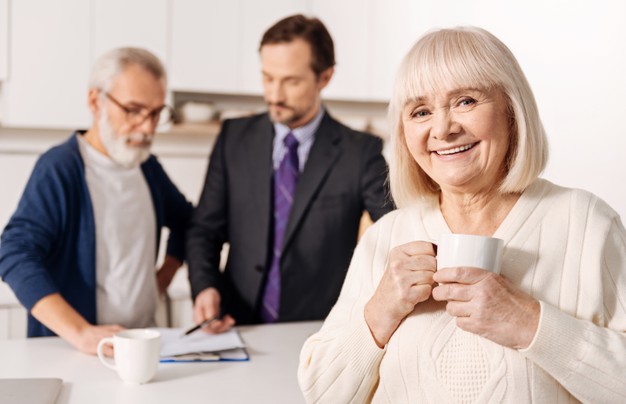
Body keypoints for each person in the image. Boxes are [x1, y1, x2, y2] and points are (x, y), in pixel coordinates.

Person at [298, 27, 626, 403]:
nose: (443, 129)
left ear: (511, 110)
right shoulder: (385, 237)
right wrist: (380, 310)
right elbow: (321, 395)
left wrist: (531, 324)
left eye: (466, 101)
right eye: (420, 112)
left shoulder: (587, 224)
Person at [186, 14, 393, 332]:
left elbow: (396, 229)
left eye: (290, 81)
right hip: (236, 326)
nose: (274, 95)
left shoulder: (360, 151)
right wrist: (204, 286)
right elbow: (205, 230)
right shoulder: (233, 138)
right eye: (268, 78)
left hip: (319, 330)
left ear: (324, 77)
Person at [0, 47, 192, 355]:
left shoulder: (147, 167)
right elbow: (14, 253)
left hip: (140, 345)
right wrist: (81, 333)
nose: (147, 127)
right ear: (95, 101)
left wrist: (164, 275)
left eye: (156, 113)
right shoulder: (60, 168)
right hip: (75, 351)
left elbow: (188, 222)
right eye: (133, 110)